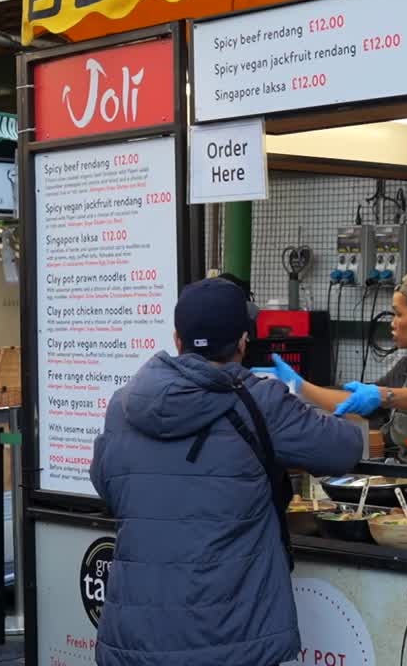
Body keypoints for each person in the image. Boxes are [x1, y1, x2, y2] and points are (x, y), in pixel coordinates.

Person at [90, 278, 363, 666]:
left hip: (134, 636)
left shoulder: (123, 404)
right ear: (242, 342)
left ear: (177, 339)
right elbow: (345, 448)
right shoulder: (259, 400)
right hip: (230, 636)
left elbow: (109, 488)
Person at [276, 270, 407, 464]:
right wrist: (299, 387)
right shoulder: (406, 369)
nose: (392, 323)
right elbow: (356, 401)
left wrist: (384, 396)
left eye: (399, 314)